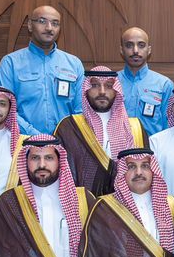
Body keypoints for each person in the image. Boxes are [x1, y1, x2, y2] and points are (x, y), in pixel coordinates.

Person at [0, 5, 85, 137]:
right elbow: (6, 108)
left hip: (65, 141)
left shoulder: (74, 64)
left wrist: (65, 136)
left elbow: (80, 110)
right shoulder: (11, 63)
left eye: (55, 23)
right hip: (23, 140)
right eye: (42, 21)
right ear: (30, 25)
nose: (49, 28)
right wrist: (37, 136)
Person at [55, 67, 145, 195]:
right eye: (95, 85)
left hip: (124, 203)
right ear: (86, 90)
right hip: (84, 203)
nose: (102, 92)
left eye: (108, 86)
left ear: (116, 91)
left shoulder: (135, 128)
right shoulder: (69, 127)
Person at [118, 26, 174, 137]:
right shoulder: (111, 83)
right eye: (129, 45)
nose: (135, 50)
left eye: (141, 45)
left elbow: (169, 128)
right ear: (121, 50)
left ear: (149, 50)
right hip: (118, 146)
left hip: (152, 146)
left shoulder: (164, 85)